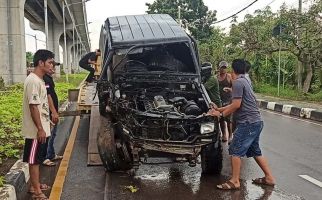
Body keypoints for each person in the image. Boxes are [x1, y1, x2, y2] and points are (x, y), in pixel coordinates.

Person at [208, 59, 275, 190]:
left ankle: (235, 181)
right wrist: (219, 110)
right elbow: (235, 105)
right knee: (255, 151)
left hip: (248, 123)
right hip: (256, 122)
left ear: (233, 70)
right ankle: (269, 178)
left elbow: (236, 105)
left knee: (235, 149)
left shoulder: (238, 82)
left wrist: (220, 115)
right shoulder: (245, 80)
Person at [22, 49, 55, 200]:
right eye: (50, 62)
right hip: (35, 131)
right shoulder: (33, 81)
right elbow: (33, 106)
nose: (52, 66)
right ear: (40, 63)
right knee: (34, 160)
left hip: (41, 129)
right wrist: (40, 129)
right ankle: (36, 191)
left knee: (37, 158)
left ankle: (35, 184)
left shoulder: (40, 80)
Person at [42, 62, 63, 166]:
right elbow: (47, 95)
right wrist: (53, 112)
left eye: (54, 66)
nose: (53, 68)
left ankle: (51, 154)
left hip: (53, 111)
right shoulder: (44, 79)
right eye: (51, 65)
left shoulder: (48, 78)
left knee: (53, 134)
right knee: (49, 135)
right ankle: (45, 157)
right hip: (50, 112)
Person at [217, 61, 233, 142]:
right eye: (222, 67)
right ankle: (224, 135)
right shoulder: (216, 77)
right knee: (221, 119)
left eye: (225, 68)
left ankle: (230, 135)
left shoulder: (229, 76)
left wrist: (229, 89)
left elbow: (235, 88)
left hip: (228, 100)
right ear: (219, 68)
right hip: (220, 101)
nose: (223, 69)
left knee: (229, 119)